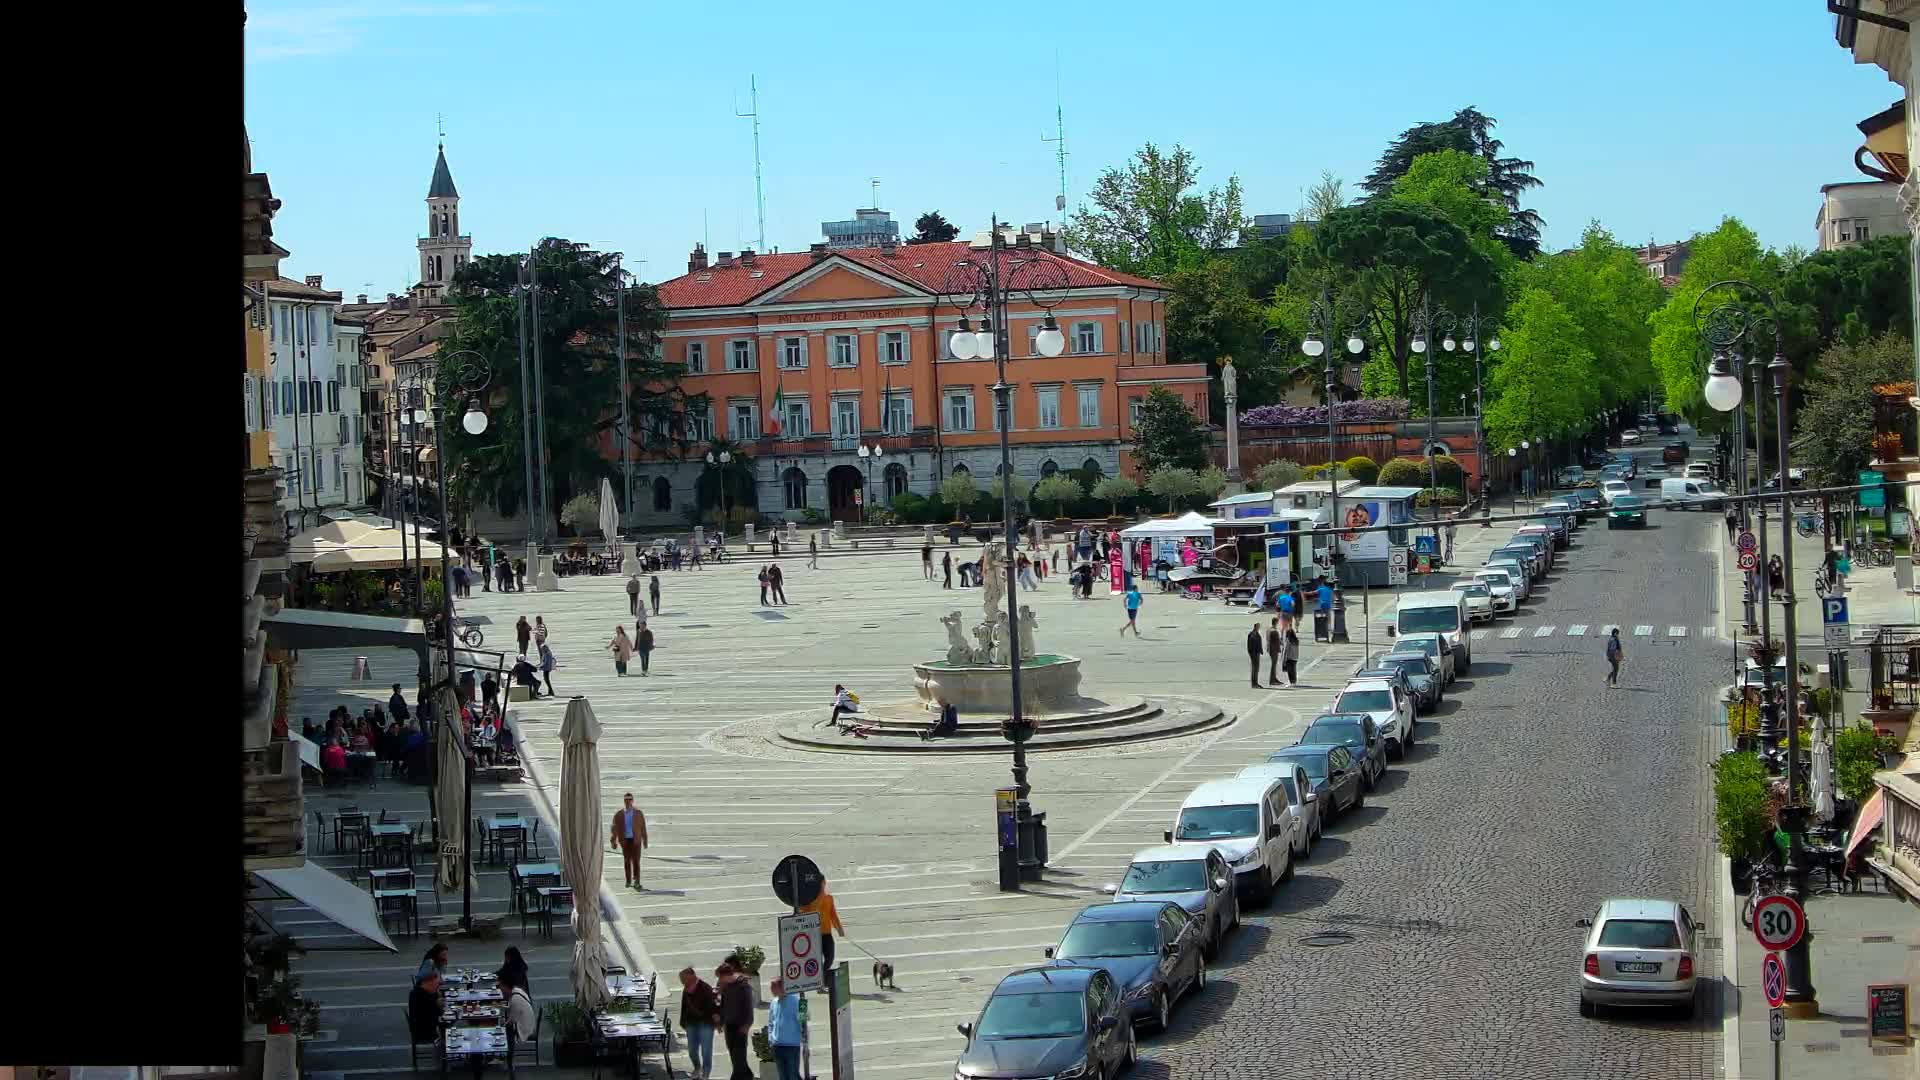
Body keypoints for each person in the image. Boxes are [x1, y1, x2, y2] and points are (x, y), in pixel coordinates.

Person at [679, 966, 721, 1080]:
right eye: (681, 979)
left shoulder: (705, 988)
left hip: (705, 1023)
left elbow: (714, 1006)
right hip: (691, 1023)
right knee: (692, 1050)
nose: (682, 982)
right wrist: (683, 1021)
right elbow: (684, 1006)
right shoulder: (686, 989)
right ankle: (697, 1068)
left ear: (692, 977)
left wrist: (716, 1021)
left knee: (706, 1050)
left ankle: (706, 1073)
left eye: (683, 979)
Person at [717, 963, 755, 1079]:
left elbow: (749, 1006)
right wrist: (720, 1022)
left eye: (720, 977)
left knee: (739, 1057)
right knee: (735, 1057)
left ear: (727, 975)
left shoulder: (743, 986)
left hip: (740, 1026)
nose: (719, 980)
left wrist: (747, 1024)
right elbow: (723, 1004)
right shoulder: (725, 986)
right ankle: (748, 1076)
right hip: (729, 1025)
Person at [798, 878, 846, 970]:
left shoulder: (829, 898)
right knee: (814, 959)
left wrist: (839, 929)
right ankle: (816, 976)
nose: (822, 886)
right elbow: (806, 911)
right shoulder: (809, 900)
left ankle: (822, 974)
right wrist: (818, 897)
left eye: (823, 883)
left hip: (827, 934)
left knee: (830, 958)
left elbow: (833, 915)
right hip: (813, 935)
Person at [611, 792, 649, 889]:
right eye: (626, 800)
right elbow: (614, 828)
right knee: (627, 860)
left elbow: (643, 827)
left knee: (636, 860)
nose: (628, 802)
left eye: (629, 799)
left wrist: (645, 840)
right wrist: (613, 841)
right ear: (624, 801)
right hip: (625, 841)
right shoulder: (619, 814)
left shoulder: (638, 813)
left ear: (632, 800)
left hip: (636, 840)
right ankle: (628, 880)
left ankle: (637, 880)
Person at [767, 979, 802, 1080]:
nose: (771, 990)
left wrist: (806, 1043)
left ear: (781, 987)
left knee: (793, 1075)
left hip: (792, 1045)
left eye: (773, 987)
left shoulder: (797, 1001)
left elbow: (804, 1022)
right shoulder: (773, 1002)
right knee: (783, 1076)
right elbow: (771, 1022)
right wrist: (770, 1040)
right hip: (777, 1045)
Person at [408, 972, 443, 1044]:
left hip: (422, 1029)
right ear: (428, 983)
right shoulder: (422, 996)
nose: (436, 988)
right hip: (425, 1032)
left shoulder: (417, 992)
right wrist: (439, 1005)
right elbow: (436, 1015)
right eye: (436, 985)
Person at [1282, 619, 1301, 687]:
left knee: (1290, 671)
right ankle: (1294, 682)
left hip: (1289, 657)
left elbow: (1286, 650)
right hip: (1295, 657)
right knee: (1294, 670)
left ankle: (1291, 682)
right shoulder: (1296, 641)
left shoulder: (1288, 641)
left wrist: (1284, 659)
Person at [1246, 621, 1265, 688]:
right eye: (1258, 626)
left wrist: (1261, 650)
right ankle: (1254, 684)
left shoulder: (1256, 633)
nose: (1259, 627)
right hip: (1254, 654)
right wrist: (1251, 654)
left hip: (1257, 653)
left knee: (1256, 669)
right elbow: (1250, 645)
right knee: (1255, 669)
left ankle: (1256, 683)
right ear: (1255, 627)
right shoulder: (1252, 634)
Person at [1266, 617, 1282, 685]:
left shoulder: (1269, 629)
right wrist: (1279, 649)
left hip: (1270, 649)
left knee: (1274, 665)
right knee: (1274, 665)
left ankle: (1274, 679)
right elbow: (1277, 642)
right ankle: (1272, 680)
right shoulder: (1274, 631)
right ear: (1276, 623)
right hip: (1274, 649)